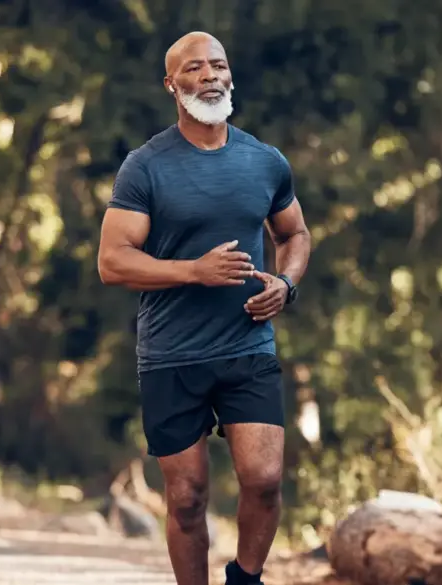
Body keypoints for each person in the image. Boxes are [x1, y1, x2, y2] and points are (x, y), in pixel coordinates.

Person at [96, 31, 312, 585]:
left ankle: (245, 578)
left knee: (264, 480)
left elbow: (295, 233)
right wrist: (193, 270)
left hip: (247, 346)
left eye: (218, 65)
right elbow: (112, 261)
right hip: (172, 354)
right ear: (173, 85)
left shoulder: (265, 161)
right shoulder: (145, 166)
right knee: (188, 498)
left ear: (231, 76)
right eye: (195, 69)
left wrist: (286, 286)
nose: (210, 76)